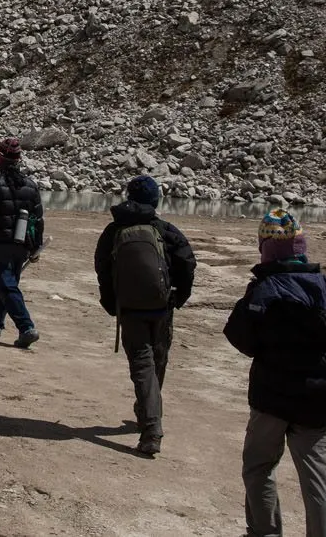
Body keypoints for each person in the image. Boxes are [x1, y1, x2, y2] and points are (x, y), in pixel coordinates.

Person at [224, 209, 326, 537]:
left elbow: (240, 337)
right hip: (316, 403)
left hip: (271, 399)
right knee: (315, 478)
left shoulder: (264, 291)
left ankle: (265, 532)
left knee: (258, 467)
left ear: (265, 248)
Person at [93, 174, 197, 458]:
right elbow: (187, 262)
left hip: (130, 310)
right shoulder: (165, 229)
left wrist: (112, 303)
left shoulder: (113, 231)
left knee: (142, 366)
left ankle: (150, 424)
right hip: (162, 308)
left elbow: (102, 270)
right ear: (155, 200)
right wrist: (179, 297)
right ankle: (150, 420)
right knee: (158, 361)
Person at [0, 137, 44, 348]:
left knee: (7, 286)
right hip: (23, 244)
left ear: (0, 159)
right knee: (9, 284)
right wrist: (36, 247)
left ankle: (26, 327)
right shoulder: (31, 186)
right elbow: (38, 219)